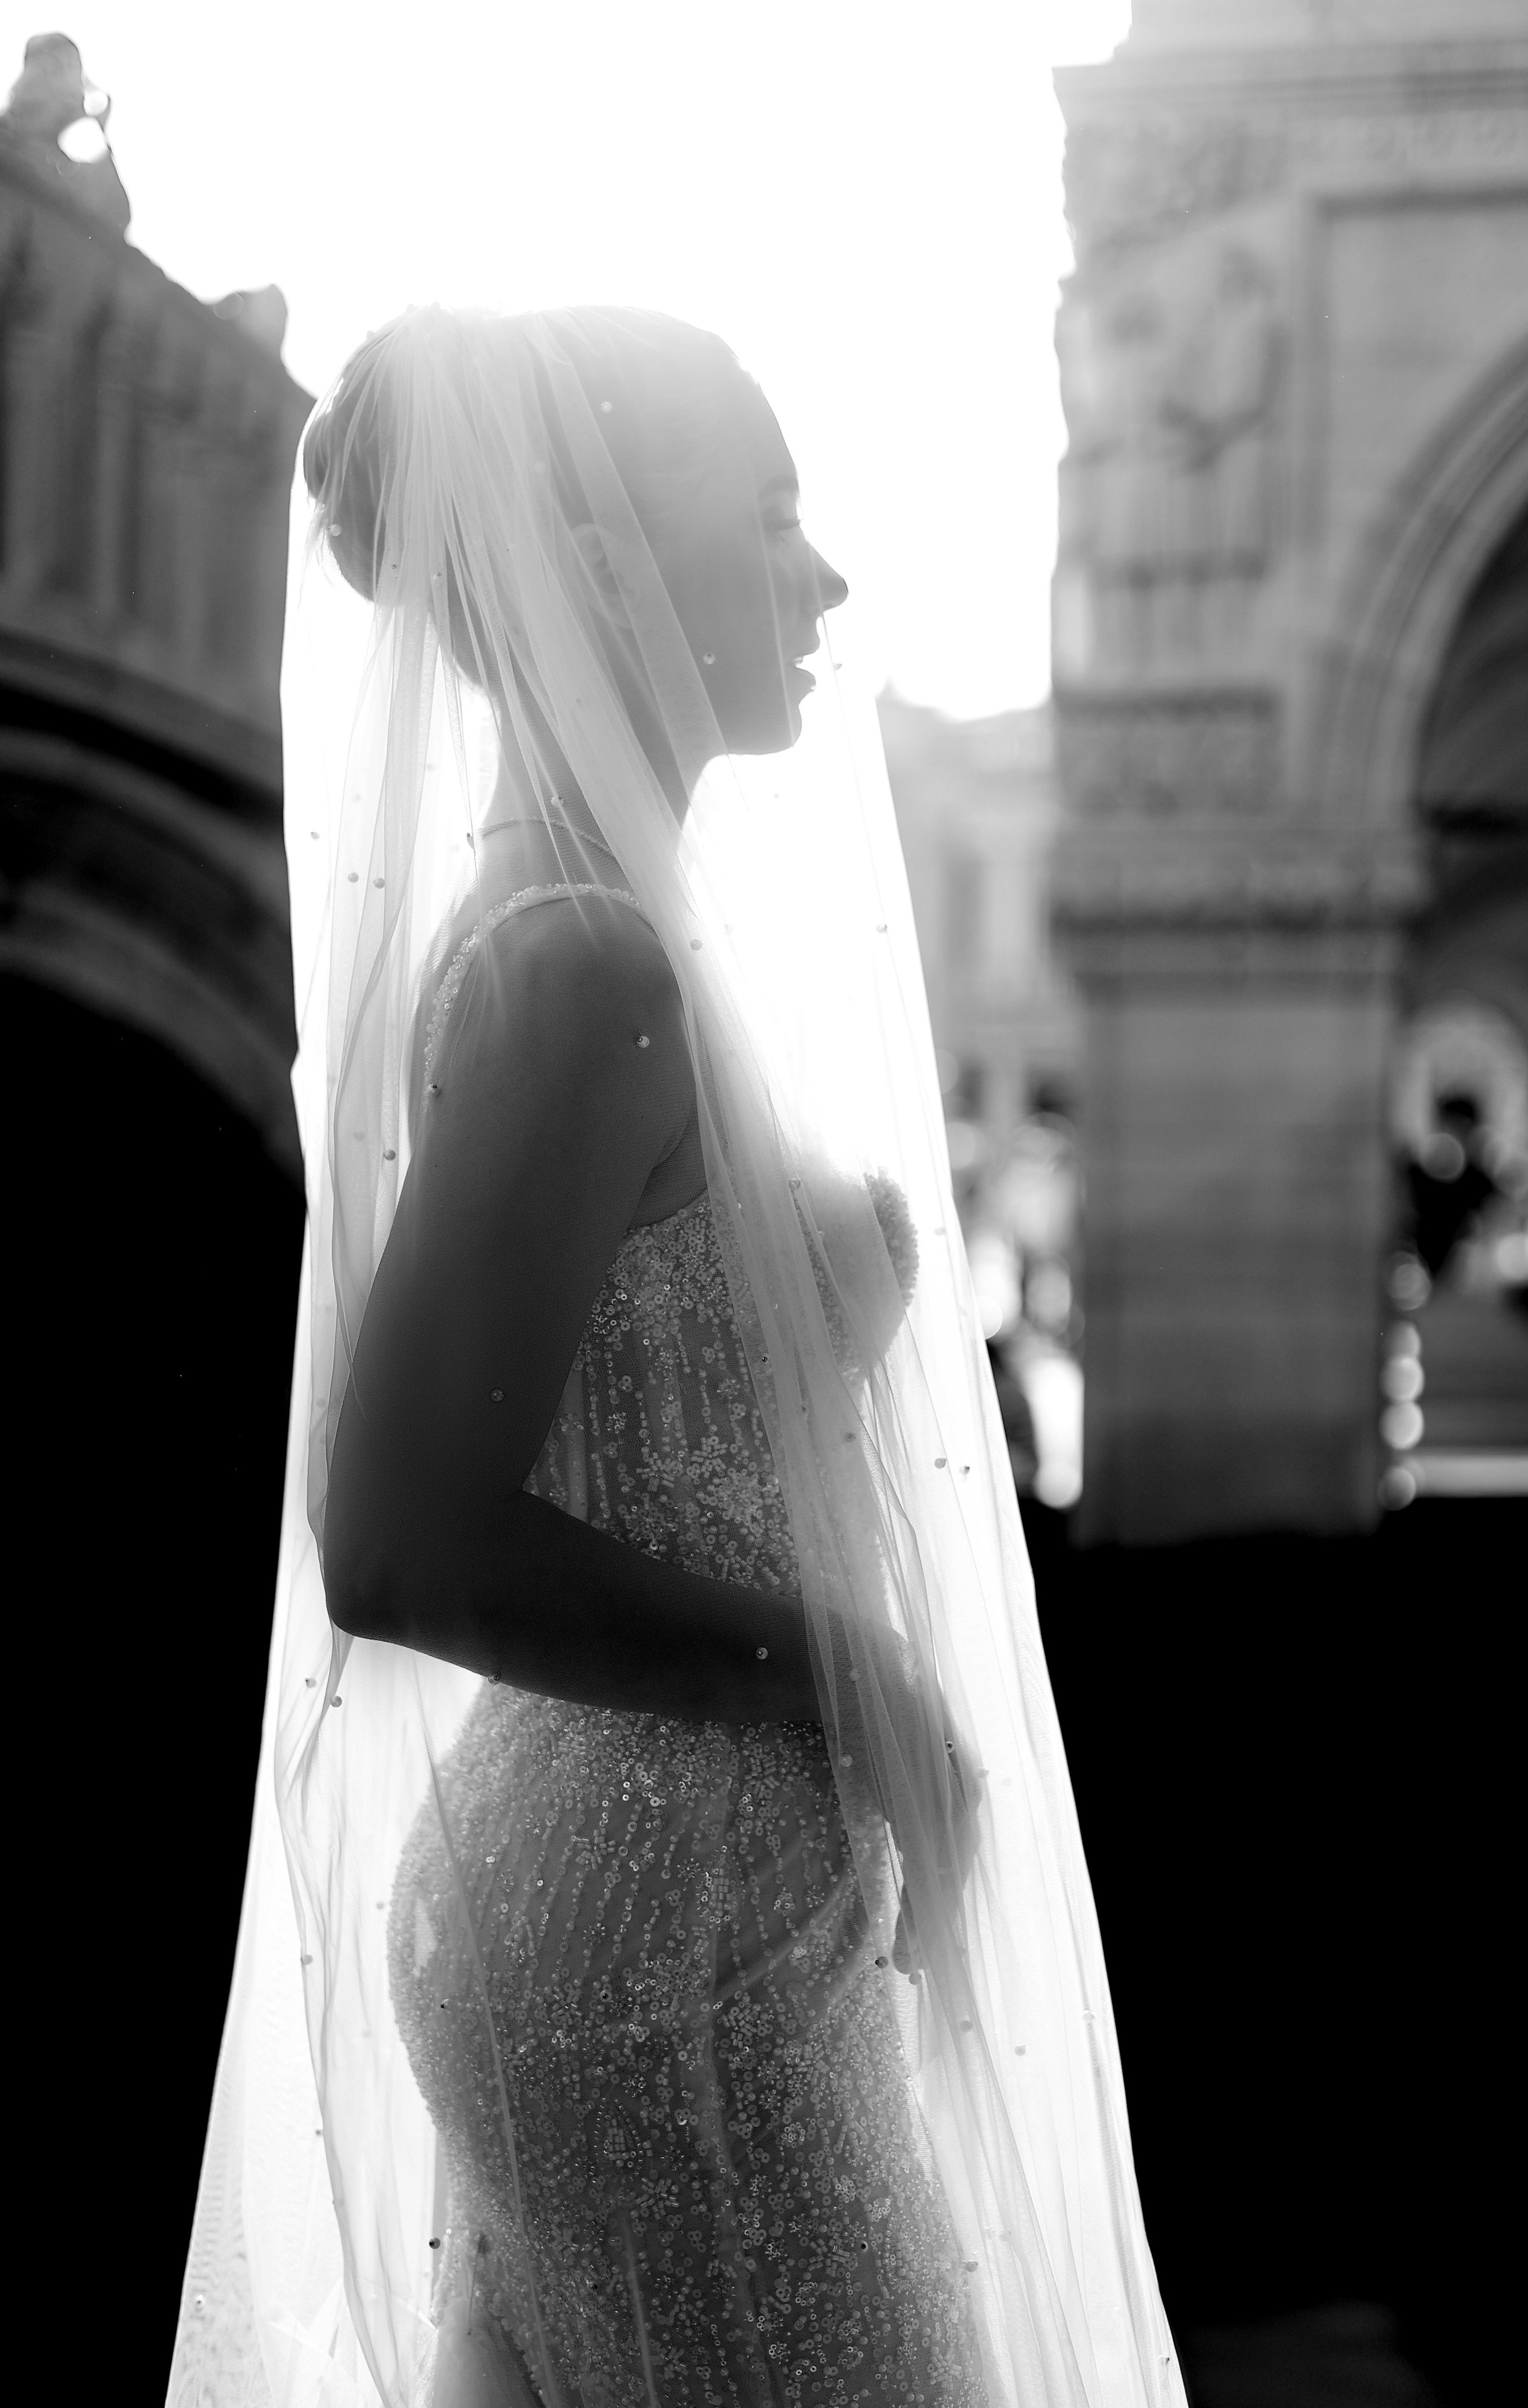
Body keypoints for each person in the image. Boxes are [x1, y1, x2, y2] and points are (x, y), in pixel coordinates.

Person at [170, 306, 1181, 2408]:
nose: (825, 582)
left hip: (658, 1912)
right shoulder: (576, 962)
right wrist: (850, 1670)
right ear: (609, 552)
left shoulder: (627, 936)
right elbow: (400, 1540)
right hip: (659, 1949)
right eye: (776, 516)